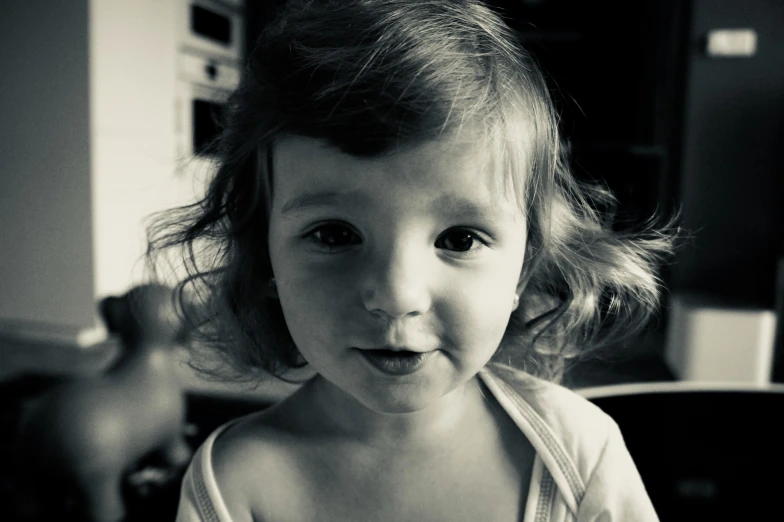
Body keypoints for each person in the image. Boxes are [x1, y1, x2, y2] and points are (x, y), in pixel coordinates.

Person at [148, 0, 675, 520]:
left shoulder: (582, 457)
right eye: (334, 235)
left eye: (460, 239)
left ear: (526, 261)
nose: (397, 296)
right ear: (264, 259)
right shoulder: (231, 484)